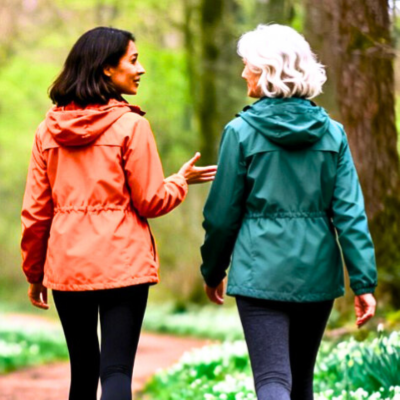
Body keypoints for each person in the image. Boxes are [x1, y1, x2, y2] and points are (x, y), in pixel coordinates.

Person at [21, 26, 216, 400]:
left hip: (67, 268)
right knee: (116, 372)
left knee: (82, 373)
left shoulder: (47, 131)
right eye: (133, 60)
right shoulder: (132, 125)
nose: (140, 69)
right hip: (123, 267)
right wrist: (179, 181)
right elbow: (150, 202)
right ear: (107, 68)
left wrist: (35, 272)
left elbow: (35, 212)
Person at [200, 24, 377, 400]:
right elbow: (350, 214)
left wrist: (213, 270)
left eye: (248, 65)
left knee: (272, 381)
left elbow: (221, 215)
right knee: (301, 383)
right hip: (316, 274)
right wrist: (364, 282)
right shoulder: (333, 133)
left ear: (267, 71)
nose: (242, 72)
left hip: (259, 272)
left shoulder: (240, 132)